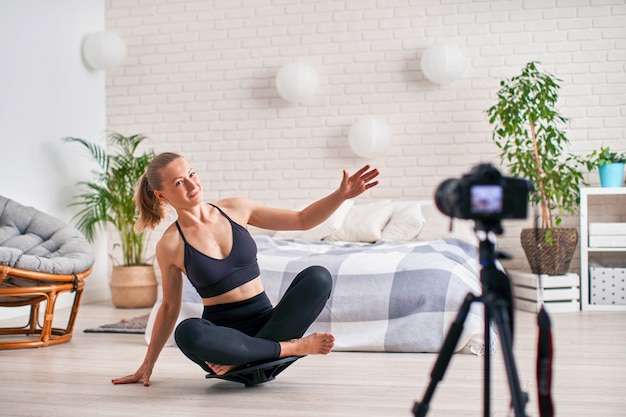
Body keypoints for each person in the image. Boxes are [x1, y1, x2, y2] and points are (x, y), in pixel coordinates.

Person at [111, 152, 380, 386]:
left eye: (192, 174)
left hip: (267, 330)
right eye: (179, 182)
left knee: (318, 277)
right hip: (225, 349)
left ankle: (254, 357)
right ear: (161, 195)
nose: (192, 184)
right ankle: (291, 349)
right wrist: (147, 365)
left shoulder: (235, 209)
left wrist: (341, 195)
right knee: (187, 332)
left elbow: (302, 220)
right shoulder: (170, 244)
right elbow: (170, 307)